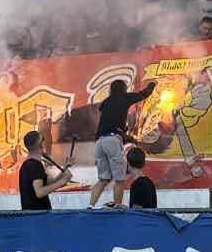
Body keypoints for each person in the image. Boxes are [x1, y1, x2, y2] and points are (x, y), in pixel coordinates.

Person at [88, 77, 157, 209]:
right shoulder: (124, 98)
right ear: (123, 89)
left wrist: (130, 138)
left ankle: (90, 205)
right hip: (112, 140)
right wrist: (153, 85)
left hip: (99, 142)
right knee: (119, 179)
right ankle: (117, 206)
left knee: (103, 179)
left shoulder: (106, 102)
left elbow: (111, 125)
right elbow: (144, 94)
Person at [16, 129, 72, 211]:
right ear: (41, 145)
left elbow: (46, 183)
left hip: (33, 216)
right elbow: (39, 192)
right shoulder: (35, 166)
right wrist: (62, 182)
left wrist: (65, 169)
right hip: (39, 216)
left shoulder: (27, 165)